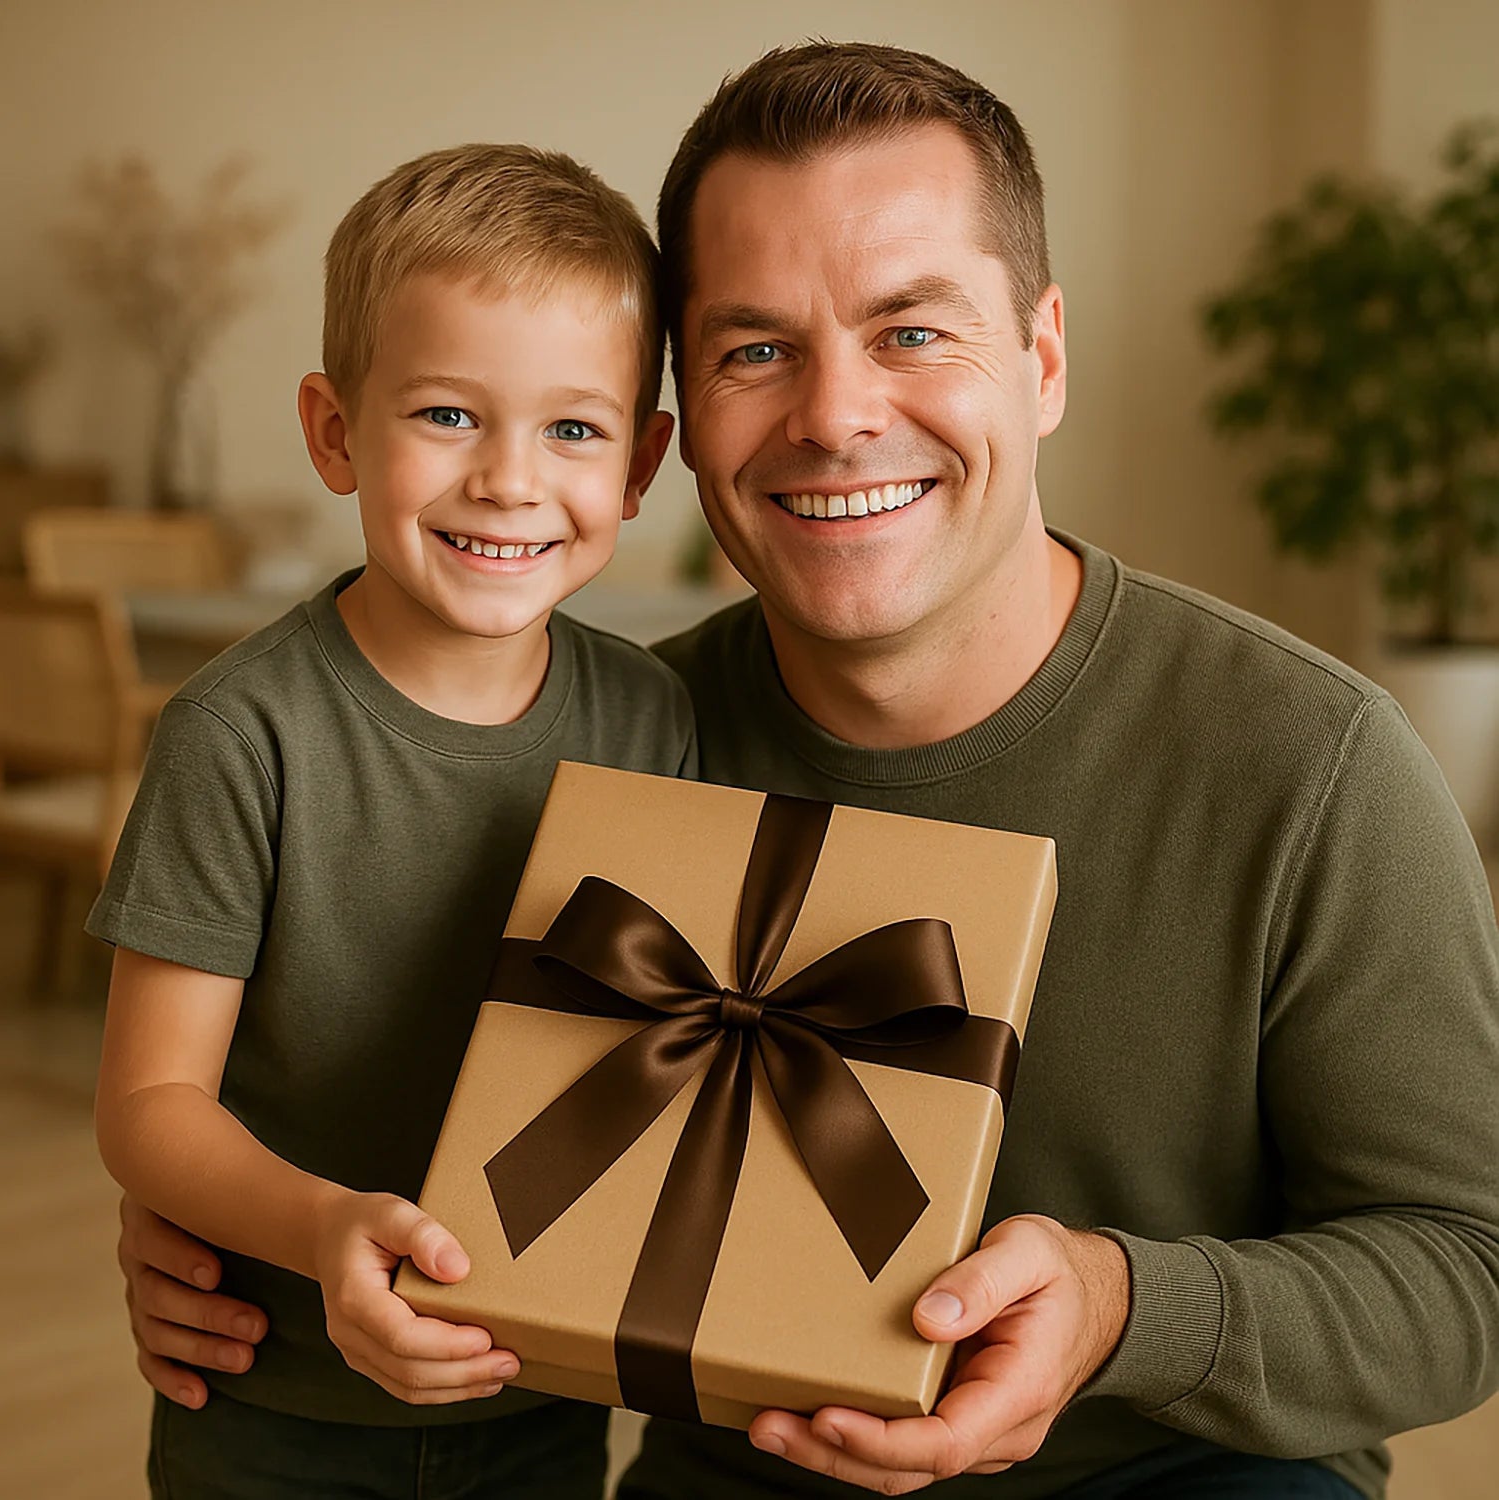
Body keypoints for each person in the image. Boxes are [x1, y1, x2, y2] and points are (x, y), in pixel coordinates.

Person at [114, 43, 1499, 1500]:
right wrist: (232, 1230)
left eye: (912, 331)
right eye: (755, 349)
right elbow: (355, 1030)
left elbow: (1468, 1270)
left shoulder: (1312, 762)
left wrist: (1120, 1308)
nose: (835, 415)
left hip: (1178, 1476)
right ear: (684, 426)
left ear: (1042, 359)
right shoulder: (641, 734)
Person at [90, 142, 690, 1499]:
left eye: (574, 429)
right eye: (446, 415)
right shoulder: (240, 735)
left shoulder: (660, 723)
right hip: (269, 1400)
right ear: (334, 430)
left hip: (543, 1401)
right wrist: (323, 1229)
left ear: (644, 460)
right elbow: (148, 1105)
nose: (508, 480)